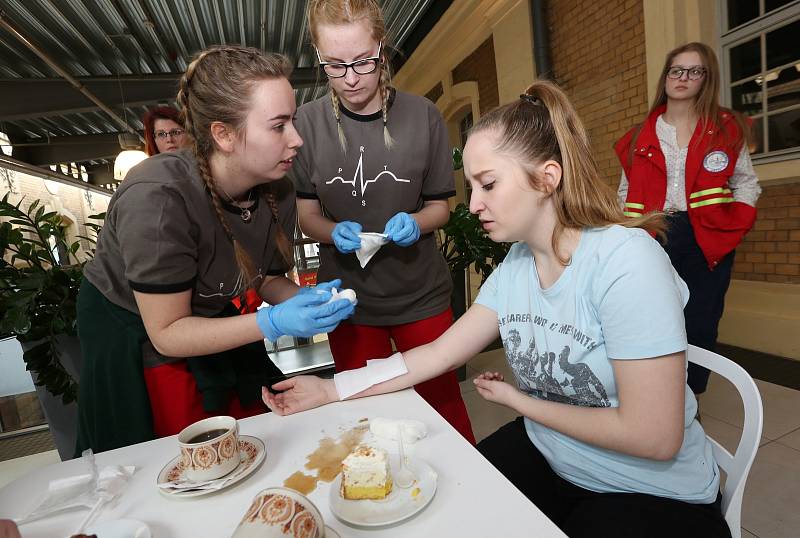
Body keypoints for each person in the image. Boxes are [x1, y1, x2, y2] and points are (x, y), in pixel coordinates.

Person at [263, 81, 732, 537]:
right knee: (449, 509)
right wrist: (332, 390)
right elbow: (436, 354)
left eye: (488, 184)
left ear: (548, 177)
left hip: (649, 491)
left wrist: (519, 401)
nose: (474, 204)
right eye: (470, 186)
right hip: (555, 455)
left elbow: (654, 437)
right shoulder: (518, 263)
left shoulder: (627, 261)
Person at [75, 46, 355, 454]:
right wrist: (273, 322)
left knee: (252, 410)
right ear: (223, 134)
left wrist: (306, 300)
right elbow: (169, 333)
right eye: (278, 126)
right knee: (175, 438)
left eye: (293, 121)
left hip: (205, 304)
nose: (296, 139)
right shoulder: (157, 197)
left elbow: (265, 277)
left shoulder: (277, 189)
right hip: (132, 323)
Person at [288, 0, 474, 443]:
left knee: (441, 404)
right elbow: (306, 216)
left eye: (362, 62)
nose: (350, 77)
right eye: (334, 65)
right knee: (363, 410)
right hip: (350, 300)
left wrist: (418, 222)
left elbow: (440, 206)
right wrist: (335, 232)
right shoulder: (306, 124)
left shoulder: (423, 116)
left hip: (420, 295)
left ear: (382, 51)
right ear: (319, 58)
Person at [615, 42, 760, 396]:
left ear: (706, 78)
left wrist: (735, 226)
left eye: (694, 71)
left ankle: (691, 401)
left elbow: (746, 182)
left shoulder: (726, 129)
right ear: (665, 77)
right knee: (653, 318)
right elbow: (624, 194)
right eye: (676, 70)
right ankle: (656, 396)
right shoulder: (638, 135)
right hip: (655, 236)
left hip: (708, 236)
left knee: (701, 321)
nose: (683, 78)